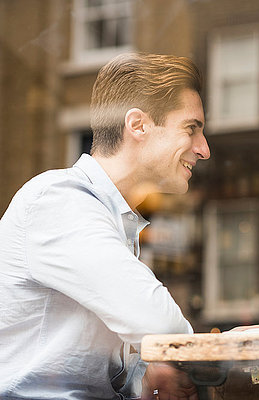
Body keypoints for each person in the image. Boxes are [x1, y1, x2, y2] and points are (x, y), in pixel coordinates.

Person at [0, 52, 210, 399]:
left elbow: (90, 367)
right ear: (138, 125)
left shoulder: (111, 218)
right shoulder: (59, 202)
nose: (203, 149)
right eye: (191, 129)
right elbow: (162, 328)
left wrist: (146, 378)